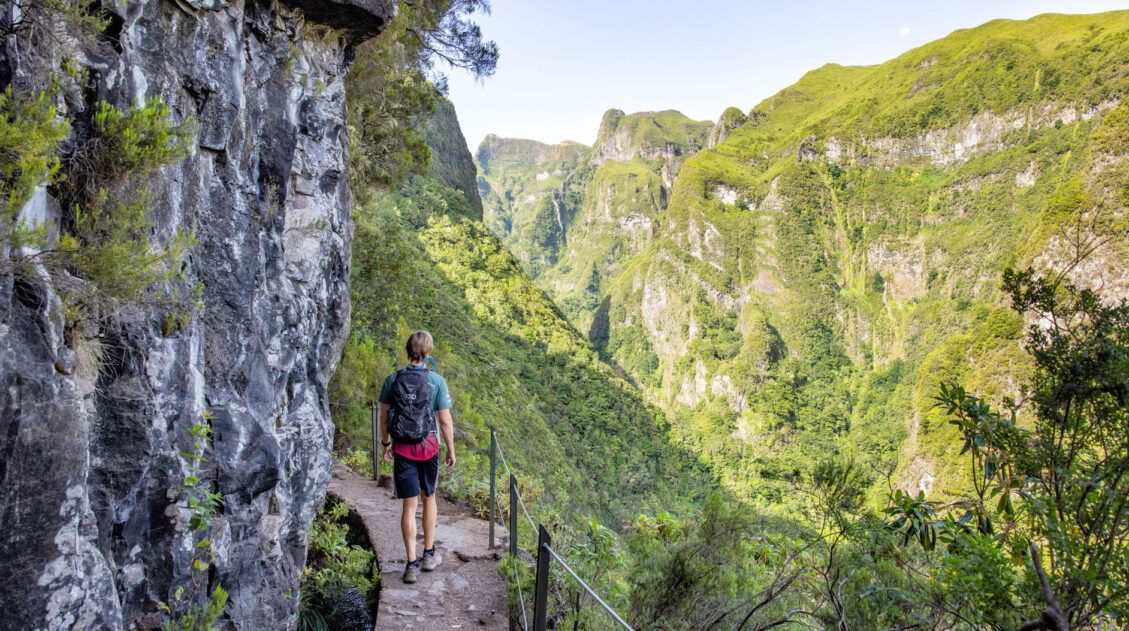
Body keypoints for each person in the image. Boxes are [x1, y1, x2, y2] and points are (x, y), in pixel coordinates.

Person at [379, 330, 457, 584]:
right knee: (429, 497)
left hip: (402, 449)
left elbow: (384, 415)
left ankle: (411, 564)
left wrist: (386, 443)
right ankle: (429, 554)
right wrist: (451, 450)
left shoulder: (392, 380)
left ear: (407, 350)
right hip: (429, 449)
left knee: (409, 506)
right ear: (429, 352)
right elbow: (444, 421)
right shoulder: (437, 381)